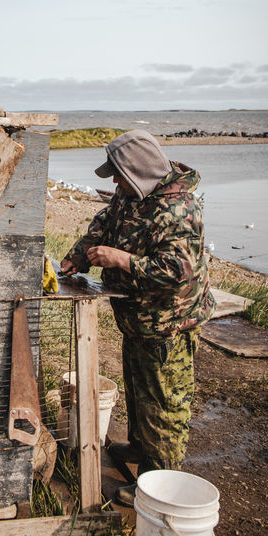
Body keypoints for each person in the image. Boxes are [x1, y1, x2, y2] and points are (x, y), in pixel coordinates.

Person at [59, 129, 215, 506]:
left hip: (169, 325)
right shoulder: (131, 195)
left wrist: (121, 259)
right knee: (138, 389)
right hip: (139, 320)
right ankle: (141, 447)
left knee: (164, 407)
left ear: (138, 170)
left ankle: (155, 485)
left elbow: (178, 271)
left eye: (118, 174)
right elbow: (104, 221)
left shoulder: (179, 210)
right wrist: (78, 256)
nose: (115, 181)